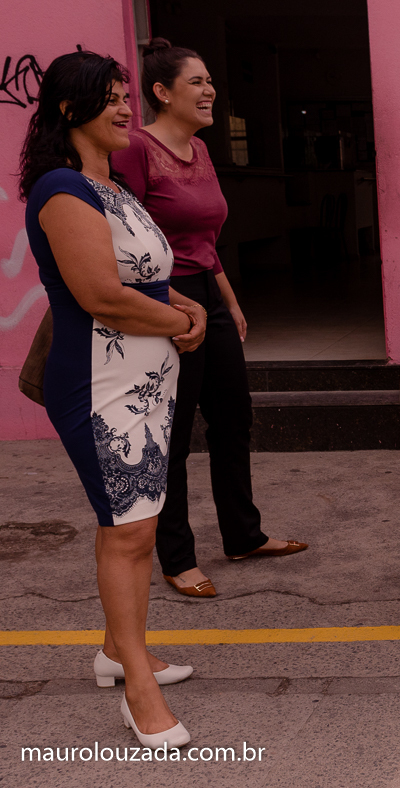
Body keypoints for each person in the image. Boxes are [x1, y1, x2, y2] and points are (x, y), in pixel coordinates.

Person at [20, 51, 208, 746]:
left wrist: (183, 307)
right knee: (125, 529)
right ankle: (137, 687)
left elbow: (149, 279)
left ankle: (115, 650)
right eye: (112, 98)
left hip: (148, 384)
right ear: (71, 110)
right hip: (100, 386)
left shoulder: (116, 187)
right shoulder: (63, 189)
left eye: (128, 95)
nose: (128, 108)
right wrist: (184, 325)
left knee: (139, 522)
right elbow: (100, 296)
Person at [111, 39, 306, 600]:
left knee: (233, 417)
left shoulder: (199, 152)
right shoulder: (136, 150)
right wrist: (173, 302)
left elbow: (204, 242)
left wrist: (229, 299)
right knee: (171, 435)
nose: (209, 91)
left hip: (206, 293)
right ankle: (177, 557)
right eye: (196, 82)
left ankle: (244, 535)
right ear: (161, 92)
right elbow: (126, 241)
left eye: (210, 81)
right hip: (159, 298)